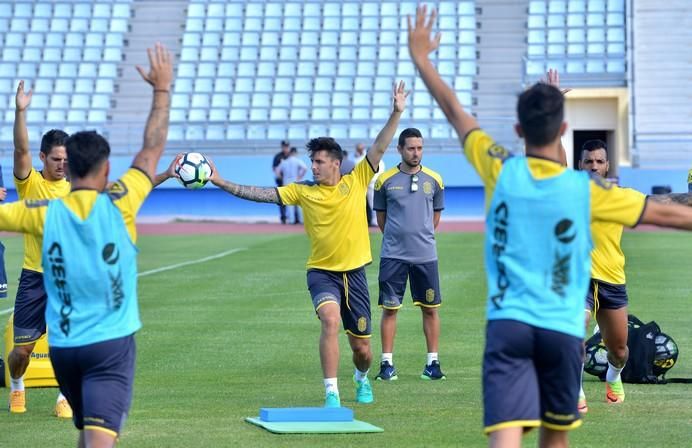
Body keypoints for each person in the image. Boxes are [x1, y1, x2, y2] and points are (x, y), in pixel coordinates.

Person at [408, 6, 692, 447]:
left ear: (518, 128)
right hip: (560, 328)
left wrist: (422, 59)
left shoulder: (498, 167)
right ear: (563, 129)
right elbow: (670, 214)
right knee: (555, 439)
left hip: (508, 324)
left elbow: (455, 111)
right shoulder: (587, 189)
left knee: (505, 437)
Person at [0, 43, 172, 447]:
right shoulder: (121, 200)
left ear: (69, 167)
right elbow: (150, 149)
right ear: (107, 169)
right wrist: (161, 91)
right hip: (109, 347)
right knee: (100, 440)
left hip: (64, 350)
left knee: (90, 431)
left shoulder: (42, 212)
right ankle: (18, 383)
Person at [206, 81, 410, 407]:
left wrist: (396, 113)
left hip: (355, 275)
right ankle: (331, 393)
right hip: (320, 273)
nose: (312, 166)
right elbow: (261, 195)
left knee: (363, 351)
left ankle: (360, 378)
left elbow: (379, 146)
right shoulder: (303, 191)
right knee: (329, 321)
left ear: (335, 163)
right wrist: (220, 181)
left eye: (318, 161)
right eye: (312, 161)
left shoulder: (355, 181)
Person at [7, 80, 73, 418]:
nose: (63, 164)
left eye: (66, 159)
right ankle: (17, 386)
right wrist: (21, 111)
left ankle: (64, 397)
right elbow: (20, 151)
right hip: (34, 278)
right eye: (57, 158)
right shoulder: (30, 183)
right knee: (22, 351)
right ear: (44, 157)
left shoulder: (78, 188)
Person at [373, 127, 446, 381]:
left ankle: (433, 363)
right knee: (390, 309)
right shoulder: (384, 181)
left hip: (425, 255)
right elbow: (381, 219)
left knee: (430, 308)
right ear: (400, 150)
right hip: (393, 256)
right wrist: (398, 238)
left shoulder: (435, 180)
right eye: (411, 148)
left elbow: (434, 218)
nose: (416, 153)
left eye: (420, 148)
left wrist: (419, 237)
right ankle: (386, 364)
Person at [354, 143, 384, 226]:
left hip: (372, 184)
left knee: (373, 204)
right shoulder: (363, 160)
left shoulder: (378, 162)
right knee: (363, 203)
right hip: (364, 184)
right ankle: (367, 220)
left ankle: (375, 220)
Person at [276, 147, 307, 224]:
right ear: (295, 153)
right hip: (296, 182)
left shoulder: (284, 161)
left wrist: (282, 177)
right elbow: (305, 168)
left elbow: (277, 171)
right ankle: (301, 220)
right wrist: (300, 177)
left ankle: (291, 220)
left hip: (286, 182)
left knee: (289, 202)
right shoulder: (297, 160)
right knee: (299, 202)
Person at [272, 140, 291, 224]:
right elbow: (274, 168)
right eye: (284, 146)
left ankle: (293, 218)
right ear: (282, 147)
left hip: (290, 181)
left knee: (292, 199)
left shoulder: (291, 156)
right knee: (281, 200)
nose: (285, 148)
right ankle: (283, 217)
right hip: (281, 181)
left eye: (287, 146)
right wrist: (281, 178)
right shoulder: (278, 156)